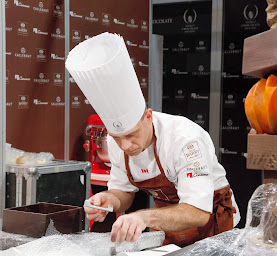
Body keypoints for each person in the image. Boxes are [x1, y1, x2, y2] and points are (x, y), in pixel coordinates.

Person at [66, 32, 240, 247]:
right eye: (117, 138)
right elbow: (124, 194)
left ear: (148, 117)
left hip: (211, 222)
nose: (125, 146)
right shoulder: (116, 143)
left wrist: (144, 217)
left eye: (131, 135)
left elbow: (198, 212)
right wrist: (109, 200)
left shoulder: (185, 140)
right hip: (166, 223)